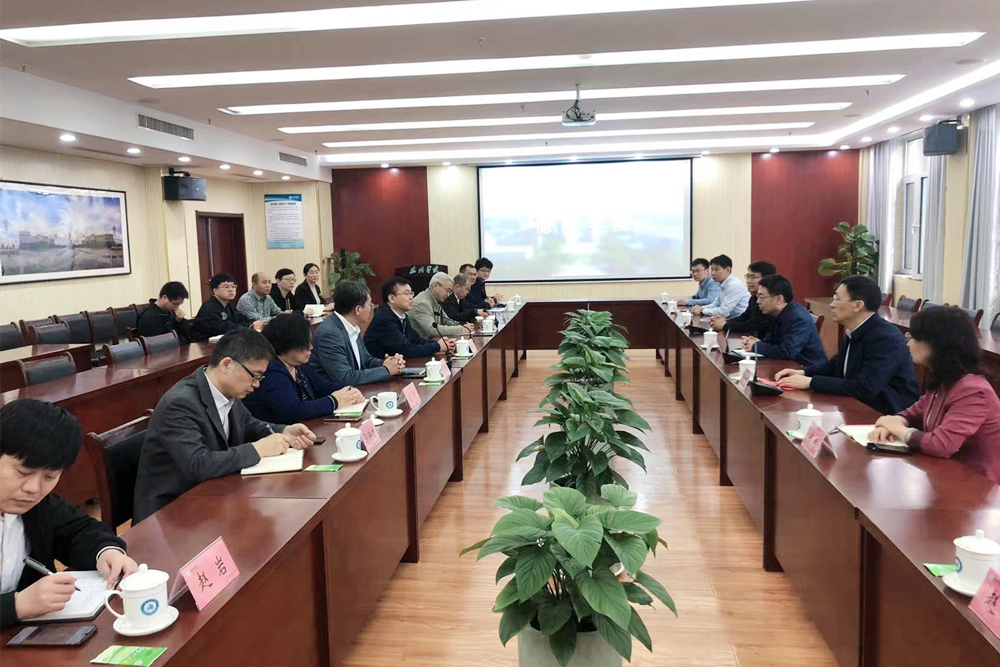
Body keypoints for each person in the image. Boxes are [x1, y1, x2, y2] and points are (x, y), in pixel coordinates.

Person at [133, 329, 316, 522]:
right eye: (254, 376)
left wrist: (283, 431)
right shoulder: (180, 403)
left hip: (210, 495)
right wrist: (257, 449)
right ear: (226, 364)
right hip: (170, 513)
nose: (257, 385)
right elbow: (197, 465)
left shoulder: (227, 391)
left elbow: (248, 425)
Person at [1, 400, 139, 629]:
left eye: (49, 477)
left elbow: (77, 530)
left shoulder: (36, 505)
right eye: (23, 472)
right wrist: (15, 606)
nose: (33, 488)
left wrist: (106, 552)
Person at [869, 307, 1000, 484]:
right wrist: (892, 423)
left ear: (937, 344)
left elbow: (941, 445)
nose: (908, 343)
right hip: (947, 473)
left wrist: (898, 429)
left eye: (914, 338)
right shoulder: (945, 379)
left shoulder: (973, 391)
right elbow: (913, 413)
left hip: (979, 484)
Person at [775, 276, 918, 414]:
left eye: (837, 298)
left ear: (858, 305)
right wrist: (804, 373)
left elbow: (866, 387)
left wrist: (811, 382)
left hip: (885, 414)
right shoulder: (855, 330)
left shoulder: (886, 338)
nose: (832, 304)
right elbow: (836, 365)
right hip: (856, 405)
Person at [244, 315, 364, 424]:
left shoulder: (298, 364)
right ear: (287, 345)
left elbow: (322, 386)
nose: (310, 348)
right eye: (304, 345)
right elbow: (294, 410)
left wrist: (349, 391)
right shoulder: (271, 371)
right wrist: (334, 401)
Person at [308, 280, 405, 387]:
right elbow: (345, 378)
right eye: (369, 305)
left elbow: (365, 360)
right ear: (358, 309)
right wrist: (386, 370)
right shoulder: (329, 334)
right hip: (334, 393)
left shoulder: (352, 326)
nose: (370, 309)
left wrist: (386, 363)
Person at [741, 274, 826, 367]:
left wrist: (756, 346)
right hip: (788, 365)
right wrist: (757, 342)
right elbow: (773, 339)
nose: (758, 301)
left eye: (761, 297)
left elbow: (787, 351)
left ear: (779, 299)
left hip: (807, 369)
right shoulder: (778, 313)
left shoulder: (798, 318)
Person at [365, 277, 455, 359]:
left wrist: (441, 343)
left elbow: (416, 340)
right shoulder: (384, 319)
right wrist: (438, 346)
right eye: (406, 293)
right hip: (380, 367)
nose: (411, 297)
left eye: (411, 293)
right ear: (392, 298)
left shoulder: (402, 316)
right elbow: (406, 350)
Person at [709, 261, 776, 335]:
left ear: (766, 279)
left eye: (753, 277)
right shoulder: (754, 297)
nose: (748, 281)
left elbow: (756, 325)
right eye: (748, 276)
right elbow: (744, 317)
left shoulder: (770, 300)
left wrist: (725, 325)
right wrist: (724, 322)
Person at [191, 273, 264, 341]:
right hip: (202, 345)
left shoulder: (230, 306)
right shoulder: (209, 308)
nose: (231, 290)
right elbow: (226, 329)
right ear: (215, 291)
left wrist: (255, 322)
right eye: (226, 287)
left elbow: (243, 319)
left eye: (233, 286)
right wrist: (251, 325)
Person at [410, 273, 475, 340]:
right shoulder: (422, 303)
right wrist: (460, 329)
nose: (448, 295)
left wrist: (463, 327)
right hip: (421, 343)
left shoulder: (436, 300)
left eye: (450, 292)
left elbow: (447, 321)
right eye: (448, 290)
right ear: (435, 286)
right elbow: (432, 330)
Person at [692, 254, 750, 319]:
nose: (713, 273)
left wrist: (702, 311)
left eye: (716, 270)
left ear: (728, 269)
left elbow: (724, 312)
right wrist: (701, 308)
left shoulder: (734, 285)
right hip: (730, 320)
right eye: (712, 270)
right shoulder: (722, 283)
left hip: (740, 321)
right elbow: (716, 304)